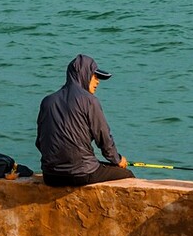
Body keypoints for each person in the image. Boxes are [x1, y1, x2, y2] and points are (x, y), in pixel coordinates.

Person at [36, 54, 134, 187]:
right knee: (127, 176)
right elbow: (103, 138)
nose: (98, 81)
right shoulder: (89, 101)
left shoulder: (47, 101)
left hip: (51, 176)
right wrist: (117, 159)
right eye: (95, 76)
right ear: (84, 74)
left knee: (97, 164)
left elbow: (40, 142)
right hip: (81, 174)